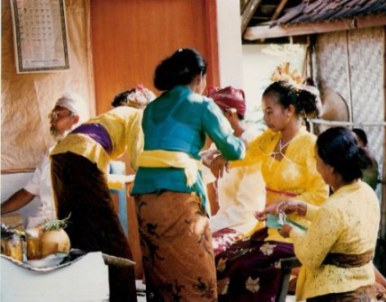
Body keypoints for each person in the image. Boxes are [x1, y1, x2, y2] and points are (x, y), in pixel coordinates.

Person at [131, 48, 245, 302]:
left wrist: (197, 157)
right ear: (199, 76)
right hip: (178, 198)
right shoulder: (202, 103)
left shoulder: (152, 108)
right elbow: (233, 148)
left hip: (145, 199)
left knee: (161, 272)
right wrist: (232, 149)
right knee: (195, 274)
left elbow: (168, 149)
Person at [211, 80, 329, 302]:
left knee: (247, 267)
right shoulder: (270, 139)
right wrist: (222, 158)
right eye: (263, 112)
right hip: (268, 226)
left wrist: (285, 206)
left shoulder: (310, 145)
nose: (265, 118)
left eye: (269, 111)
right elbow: (246, 154)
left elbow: (320, 194)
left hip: (295, 230)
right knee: (224, 259)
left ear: (289, 110)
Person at [260, 126, 386, 301]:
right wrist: (303, 209)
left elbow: (310, 256)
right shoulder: (365, 192)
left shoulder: (333, 207)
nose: (316, 167)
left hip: (335, 292)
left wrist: (290, 230)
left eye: (317, 161)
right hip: (362, 282)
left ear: (329, 167)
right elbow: (343, 221)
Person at [50, 86, 155, 302]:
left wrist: (127, 180)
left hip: (60, 157)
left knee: (77, 238)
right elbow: (138, 159)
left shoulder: (107, 118)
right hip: (83, 160)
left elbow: (92, 176)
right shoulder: (138, 114)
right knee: (116, 246)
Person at [1, 93, 88, 227]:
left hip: (71, 227)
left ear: (75, 119)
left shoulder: (87, 152)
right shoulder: (52, 153)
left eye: (58, 115)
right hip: (44, 224)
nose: (53, 121)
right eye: (52, 116)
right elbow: (27, 193)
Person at [202, 86, 266, 255]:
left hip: (247, 224)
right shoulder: (222, 145)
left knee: (200, 252)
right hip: (225, 222)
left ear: (230, 114)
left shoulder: (254, 144)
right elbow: (202, 173)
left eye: (213, 118)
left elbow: (249, 209)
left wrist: (209, 225)